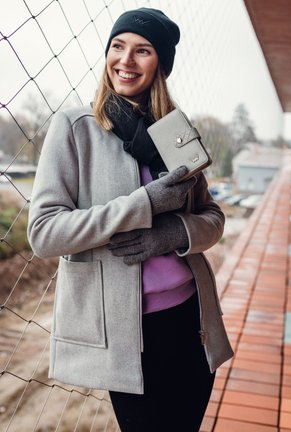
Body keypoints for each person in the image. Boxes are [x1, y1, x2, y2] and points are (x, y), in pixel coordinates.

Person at [27, 7, 233, 432]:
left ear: (161, 64)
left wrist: (176, 232)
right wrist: (144, 204)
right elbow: (44, 233)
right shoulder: (74, 127)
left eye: (143, 50)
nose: (126, 60)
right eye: (118, 47)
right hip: (129, 334)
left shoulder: (175, 131)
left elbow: (212, 216)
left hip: (191, 320)